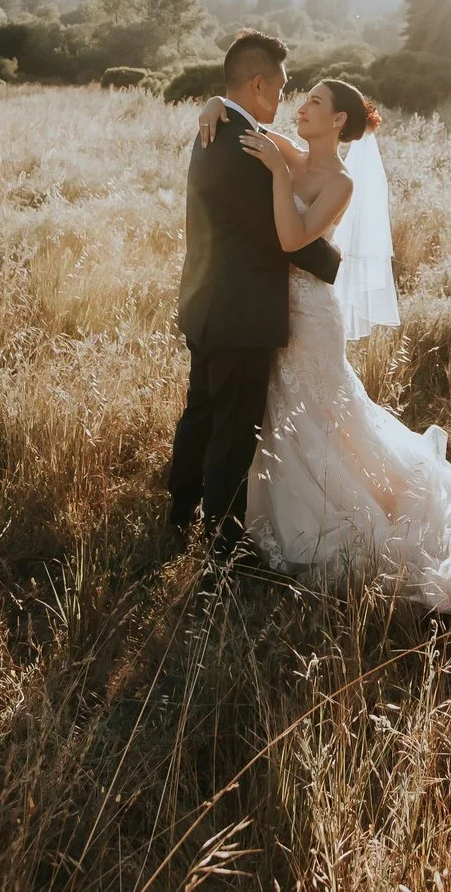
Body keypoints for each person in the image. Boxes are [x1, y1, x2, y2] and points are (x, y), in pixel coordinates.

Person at [196, 69, 451, 610]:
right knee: (281, 408)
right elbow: (243, 117)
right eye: (304, 98)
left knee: (321, 411)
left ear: (338, 119)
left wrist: (276, 178)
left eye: (314, 102)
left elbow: (292, 238)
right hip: (272, 307)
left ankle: (349, 512)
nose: (302, 107)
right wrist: (214, 102)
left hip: (311, 314)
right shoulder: (293, 153)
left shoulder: (340, 181)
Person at [167, 31, 341, 555]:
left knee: (200, 410)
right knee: (233, 430)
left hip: (207, 302)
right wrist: (333, 264)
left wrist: (215, 99)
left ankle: (179, 512)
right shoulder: (241, 146)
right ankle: (222, 548)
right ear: (260, 82)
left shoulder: (220, 128)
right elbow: (279, 234)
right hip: (239, 313)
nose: (288, 97)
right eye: (285, 86)